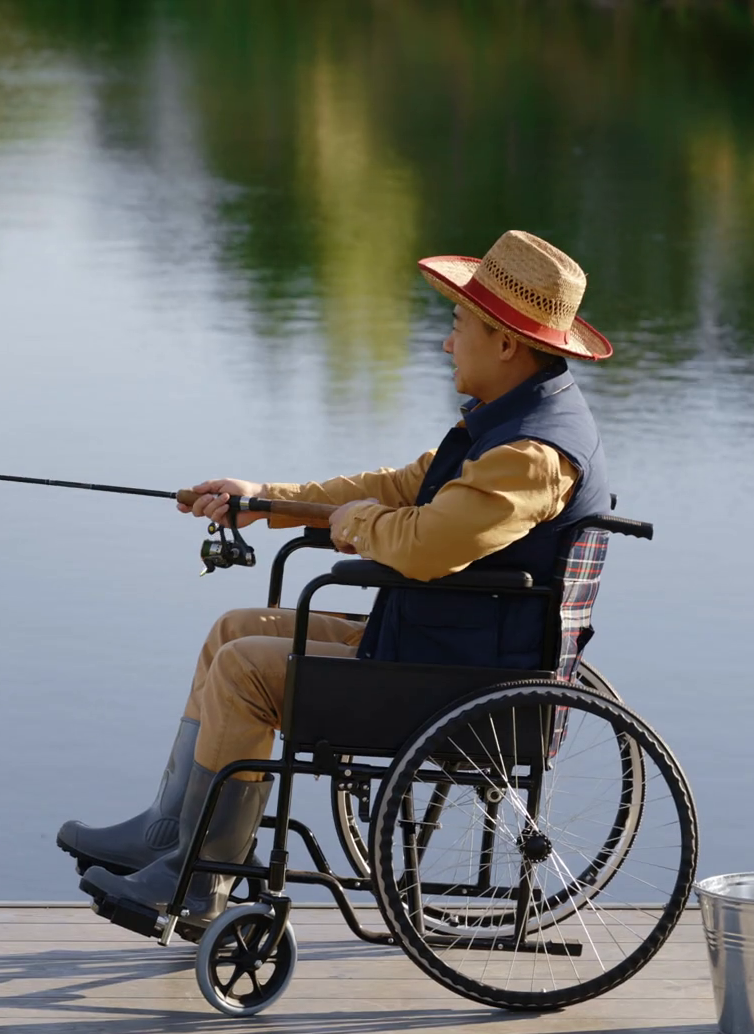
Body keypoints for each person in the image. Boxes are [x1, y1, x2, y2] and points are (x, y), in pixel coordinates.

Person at [61, 230, 616, 935]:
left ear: (506, 342)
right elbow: (396, 488)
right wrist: (264, 498)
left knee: (245, 672)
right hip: (441, 644)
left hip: (463, 681)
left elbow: (423, 547)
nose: (447, 344)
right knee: (234, 631)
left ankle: (201, 881)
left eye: (457, 326)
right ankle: (172, 831)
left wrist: (356, 522)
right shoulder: (507, 425)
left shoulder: (533, 454)